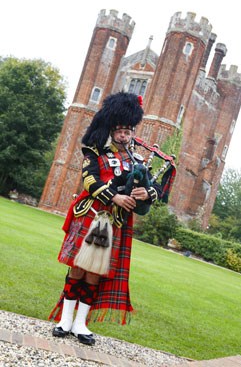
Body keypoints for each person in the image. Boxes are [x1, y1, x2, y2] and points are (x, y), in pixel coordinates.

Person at [49, 92, 162, 345]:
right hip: (90, 215)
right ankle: (65, 320)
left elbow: (156, 188)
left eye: (128, 132)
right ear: (111, 130)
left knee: (96, 273)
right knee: (77, 268)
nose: (124, 136)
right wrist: (115, 197)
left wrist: (148, 192)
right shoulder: (94, 151)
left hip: (115, 223)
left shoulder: (139, 160)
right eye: (120, 131)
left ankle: (80, 324)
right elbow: (89, 181)